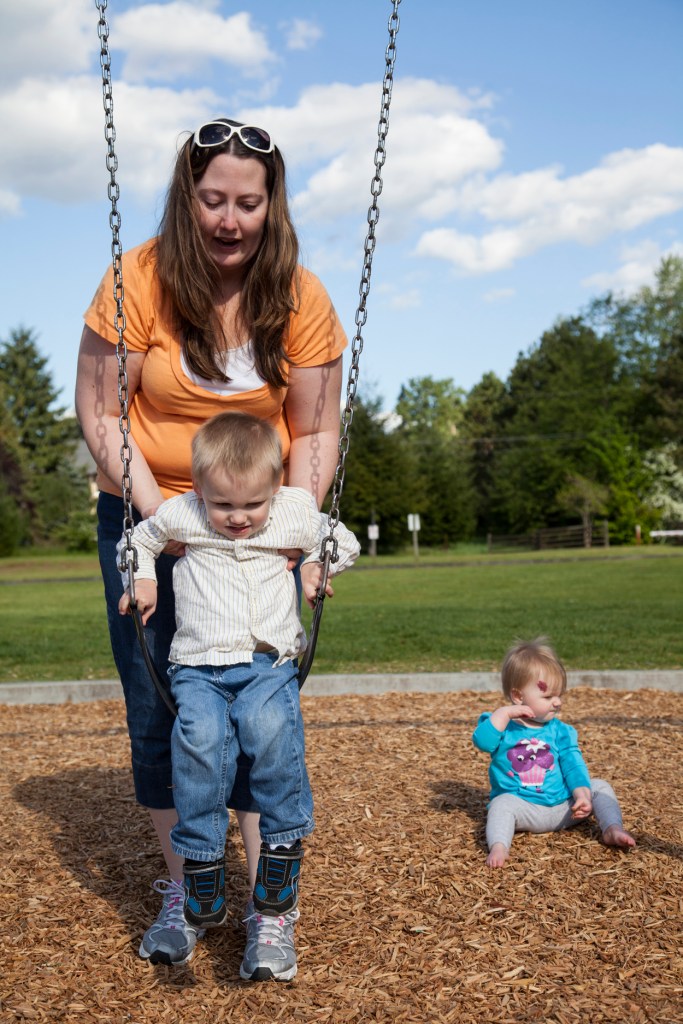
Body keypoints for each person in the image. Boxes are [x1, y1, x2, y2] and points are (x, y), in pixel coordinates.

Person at [75, 118, 348, 966]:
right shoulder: (137, 279)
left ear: (272, 205)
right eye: (211, 199)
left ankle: (270, 901)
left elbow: (313, 428)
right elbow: (101, 410)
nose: (228, 220)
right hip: (144, 508)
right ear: (185, 195)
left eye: (247, 202)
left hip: (260, 520)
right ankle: (186, 881)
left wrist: (294, 532)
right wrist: (165, 524)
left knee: (261, 710)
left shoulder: (298, 295)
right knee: (164, 702)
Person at [117, 411, 360, 980]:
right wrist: (144, 578)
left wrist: (314, 566)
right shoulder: (185, 513)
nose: (239, 518)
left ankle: (281, 850)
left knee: (269, 731)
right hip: (198, 666)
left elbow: (341, 539)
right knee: (197, 740)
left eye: (252, 505)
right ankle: (201, 858)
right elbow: (139, 539)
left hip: (267, 661)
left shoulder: (291, 515)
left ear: (274, 488)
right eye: (224, 505)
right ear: (200, 490)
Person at [472, 637, 636, 868]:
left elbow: (572, 764)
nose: (557, 702)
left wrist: (581, 795)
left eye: (559, 695)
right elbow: (482, 742)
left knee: (599, 786)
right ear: (518, 696)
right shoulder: (502, 726)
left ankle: (612, 828)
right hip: (524, 808)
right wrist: (504, 713)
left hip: (564, 809)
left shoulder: (561, 731)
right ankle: (499, 845)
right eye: (548, 696)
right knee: (501, 805)